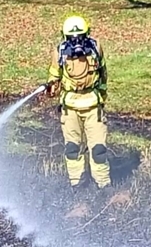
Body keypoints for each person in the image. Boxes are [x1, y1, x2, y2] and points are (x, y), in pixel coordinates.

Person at [46, 15, 110, 189]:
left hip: (93, 107)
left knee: (98, 149)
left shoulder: (96, 48)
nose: (76, 43)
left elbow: (103, 73)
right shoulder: (59, 52)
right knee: (72, 148)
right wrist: (51, 87)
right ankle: (77, 183)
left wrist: (102, 96)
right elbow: (54, 77)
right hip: (70, 107)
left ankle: (103, 184)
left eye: (80, 37)